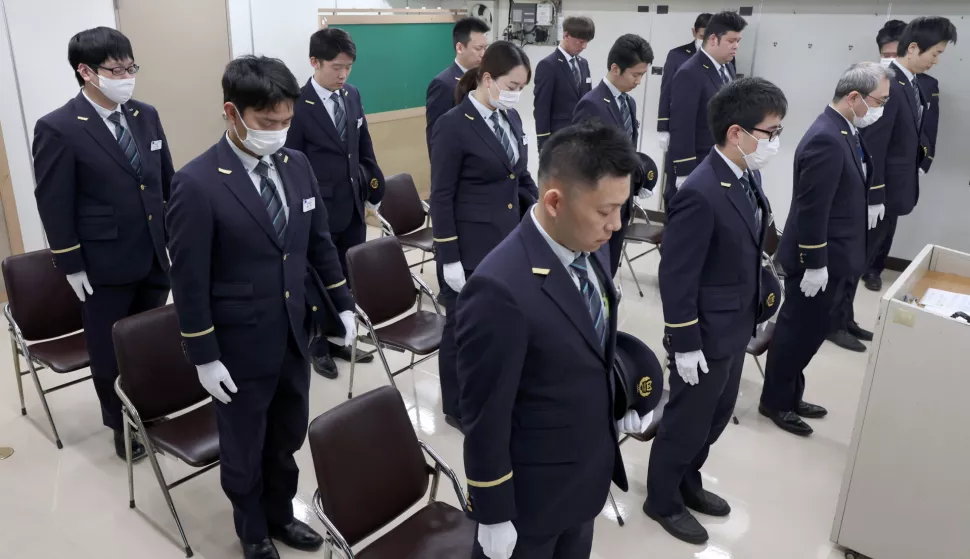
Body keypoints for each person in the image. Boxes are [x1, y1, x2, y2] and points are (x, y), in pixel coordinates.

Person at [167, 55, 357, 559]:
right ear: (232, 113)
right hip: (238, 344)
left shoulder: (297, 166)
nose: (278, 131)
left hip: (295, 334)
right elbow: (188, 281)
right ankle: (252, 530)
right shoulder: (197, 184)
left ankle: (280, 513)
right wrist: (204, 355)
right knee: (245, 447)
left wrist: (343, 305)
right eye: (266, 122)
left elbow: (318, 245)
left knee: (287, 436)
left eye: (286, 121)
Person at [457, 121, 650, 559]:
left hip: (584, 476)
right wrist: (492, 509)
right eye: (605, 211)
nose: (616, 225)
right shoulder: (499, 289)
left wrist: (619, 400)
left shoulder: (588, 247)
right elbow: (485, 416)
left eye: (621, 208)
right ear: (555, 201)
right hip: (531, 497)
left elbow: (586, 343)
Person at [646, 77, 787, 544]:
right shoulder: (700, 192)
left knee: (716, 414)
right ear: (736, 133)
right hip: (703, 335)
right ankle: (661, 498)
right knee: (687, 420)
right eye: (769, 132)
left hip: (734, 324)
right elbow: (676, 275)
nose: (774, 142)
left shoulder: (748, 175)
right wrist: (684, 343)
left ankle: (689, 480)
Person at [32, 27, 173, 461]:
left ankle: (149, 409)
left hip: (152, 250)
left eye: (131, 67)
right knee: (109, 345)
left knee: (149, 338)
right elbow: (53, 202)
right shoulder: (58, 128)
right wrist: (70, 264)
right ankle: (119, 422)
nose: (127, 76)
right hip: (102, 260)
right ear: (86, 72)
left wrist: (177, 236)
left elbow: (164, 180)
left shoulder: (144, 114)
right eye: (116, 69)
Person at [760, 63, 892, 437]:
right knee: (796, 332)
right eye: (878, 101)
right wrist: (816, 263)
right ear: (854, 97)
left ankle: (790, 393)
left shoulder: (845, 131)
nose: (881, 107)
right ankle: (775, 401)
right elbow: (812, 209)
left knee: (810, 333)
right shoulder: (826, 138)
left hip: (837, 255)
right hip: (818, 260)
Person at [430, 41, 537, 432]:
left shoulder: (510, 119)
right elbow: (440, 195)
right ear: (487, 78)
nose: (517, 94)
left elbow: (520, 177)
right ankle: (456, 405)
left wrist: (544, 212)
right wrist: (449, 257)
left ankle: (492, 388)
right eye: (512, 85)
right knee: (461, 328)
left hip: (508, 242)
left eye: (523, 87)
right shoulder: (453, 125)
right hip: (470, 247)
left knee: (497, 322)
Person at [286, 28, 384, 379]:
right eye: (336, 67)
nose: (343, 75)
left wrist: (374, 181)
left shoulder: (351, 95)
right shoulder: (297, 104)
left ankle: (343, 334)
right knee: (316, 279)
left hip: (353, 204)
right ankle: (317, 344)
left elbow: (362, 142)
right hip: (318, 210)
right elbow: (291, 162)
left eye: (349, 68)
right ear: (315, 62)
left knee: (347, 273)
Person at [861, 16, 956, 292]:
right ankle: (838, 322)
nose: (936, 60)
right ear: (913, 48)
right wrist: (875, 195)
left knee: (874, 246)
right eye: (935, 53)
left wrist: (925, 158)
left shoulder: (911, 83)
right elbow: (874, 146)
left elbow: (924, 127)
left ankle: (845, 319)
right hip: (883, 187)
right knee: (859, 255)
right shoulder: (888, 84)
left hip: (897, 185)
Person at [572, 34, 654, 277]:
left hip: (621, 202)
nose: (639, 81)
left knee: (610, 268)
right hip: (598, 205)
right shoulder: (592, 104)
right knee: (595, 269)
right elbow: (582, 161)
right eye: (635, 75)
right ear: (615, 68)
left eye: (642, 75)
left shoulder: (628, 103)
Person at [666, 10, 747, 207]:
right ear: (713, 39)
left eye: (738, 40)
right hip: (697, 164)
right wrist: (685, 172)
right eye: (731, 40)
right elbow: (681, 126)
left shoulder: (726, 67)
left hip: (717, 161)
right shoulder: (690, 72)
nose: (736, 46)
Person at [657, 13, 712, 191]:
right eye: (701, 36)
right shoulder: (677, 55)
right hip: (680, 127)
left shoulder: (722, 60)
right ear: (694, 32)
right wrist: (662, 127)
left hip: (705, 130)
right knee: (675, 179)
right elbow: (666, 92)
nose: (704, 41)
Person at [426, 17, 490, 152]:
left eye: (485, 48)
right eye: (478, 48)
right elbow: (436, 137)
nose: (483, 54)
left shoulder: (485, 79)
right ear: (460, 47)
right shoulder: (443, 84)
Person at [533, 15, 595, 152]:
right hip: (558, 140)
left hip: (582, 140)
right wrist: (543, 144)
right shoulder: (548, 65)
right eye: (581, 41)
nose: (584, 46)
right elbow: (541, 108)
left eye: (587, 42)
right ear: (566, 35)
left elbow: (587, 101)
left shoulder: (583, 64)